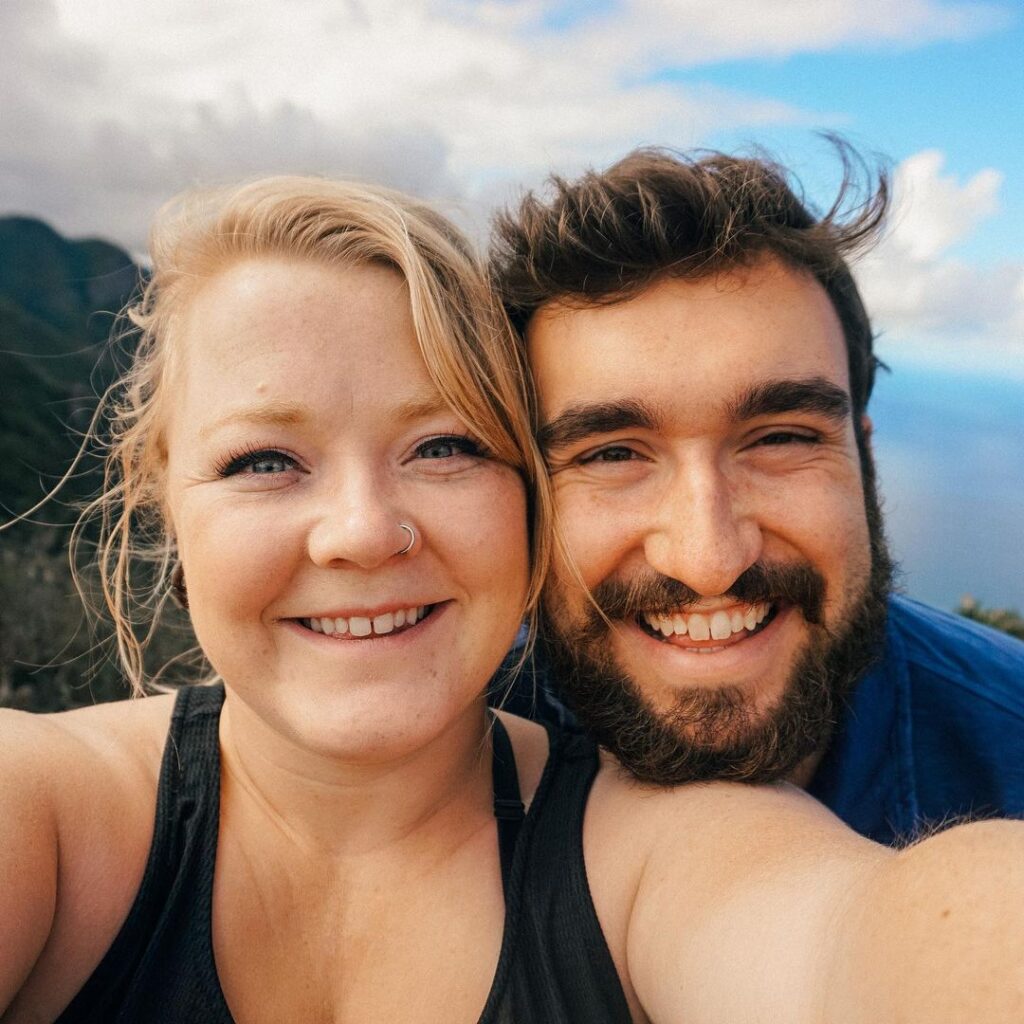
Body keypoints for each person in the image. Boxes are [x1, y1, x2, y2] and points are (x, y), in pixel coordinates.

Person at [2, 175, 1023, 1024]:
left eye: (443, 446)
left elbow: (865, 945)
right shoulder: (45, 815)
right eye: (264, 459)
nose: (707, 556)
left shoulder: (644, 853)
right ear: (159, 495)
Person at [490, 143, 1024, 843]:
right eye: (613, 453)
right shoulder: (437, 753)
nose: (708, 560)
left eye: (781, 439)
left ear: (864, 455)